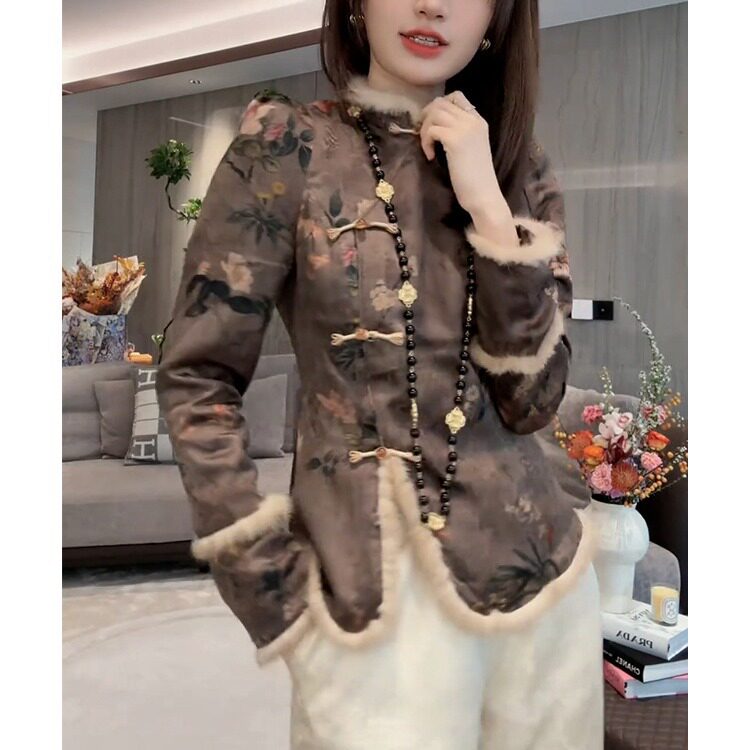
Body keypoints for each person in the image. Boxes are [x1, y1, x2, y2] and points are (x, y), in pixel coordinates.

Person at [155, 0, 604, 747]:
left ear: (497, 19)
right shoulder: (288, 146)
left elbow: (534, 402)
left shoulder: (521, 168)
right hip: (373, 594)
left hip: (545, 584)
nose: (433, 4)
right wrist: (268, 584)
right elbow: (198, 373)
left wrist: (490, 210)